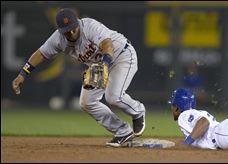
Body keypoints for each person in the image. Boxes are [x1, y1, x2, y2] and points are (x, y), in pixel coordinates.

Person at [11, 8, 146, 147]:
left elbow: (107, 44)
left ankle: (138, 111)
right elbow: (40, 54)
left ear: (77, 22)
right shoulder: (57, 39)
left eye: (73, 28)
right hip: (98, 65)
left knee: (113, 97)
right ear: (60, 30)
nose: (71, 32)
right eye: (66, 30)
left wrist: (105, 64)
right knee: (87, 102)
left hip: (121, 55)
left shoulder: (89, 26)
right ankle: (122, 130)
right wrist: (22, 74)